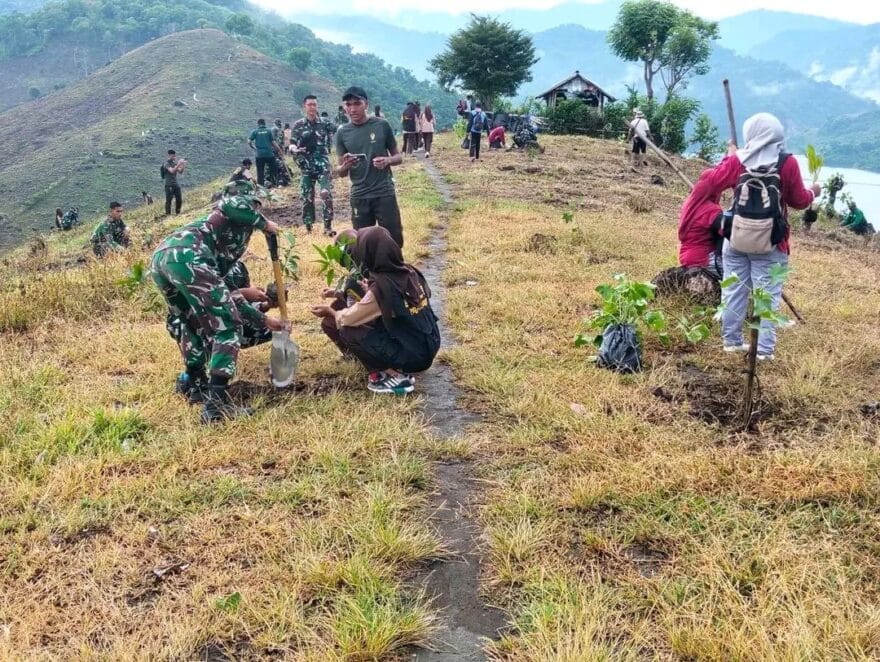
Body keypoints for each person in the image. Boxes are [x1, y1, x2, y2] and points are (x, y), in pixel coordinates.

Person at [151, 194, 288, 423]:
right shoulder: (229, 214)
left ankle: (196, 386)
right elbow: (231, 202)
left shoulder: (217, 241)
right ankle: (216, 406)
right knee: (228, 326)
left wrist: (264, 320)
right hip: (188, 256)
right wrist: (265, 224)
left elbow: (231, 294)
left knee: (193, 322)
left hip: (164, 258)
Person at [719, 113, 819, 361]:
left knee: (733, 289)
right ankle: (763, 350)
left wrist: (730, 155)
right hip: (771, 241)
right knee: (767, 294)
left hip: (736, 237)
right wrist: (813, 192)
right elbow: (798, 201)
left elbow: (716, 179)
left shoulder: (739, 160)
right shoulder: (787, 162)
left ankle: (731, 341)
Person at [311, 226, 440, 394]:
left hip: (414, 357)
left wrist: (330, 312)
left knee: (348, 330)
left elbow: (347, 319)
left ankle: (392, 376)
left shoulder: (381, 288)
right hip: (430, 344)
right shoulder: (409, 271)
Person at [168, 260, 278, 397]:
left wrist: (265, 305)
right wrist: (242, 293)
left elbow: (242, 309)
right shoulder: (200, 264)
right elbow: (205, 301)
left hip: (223, 319)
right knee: (213, 331)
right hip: (194, 321)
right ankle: (192, 377)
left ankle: (218, 369)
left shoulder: (238, 267)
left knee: (266, 331)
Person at [335, 85, 405, 247]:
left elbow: (398, 157)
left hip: (384, 192)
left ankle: (396, 270)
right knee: (363, 243)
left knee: (394, 239)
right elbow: (341, 172)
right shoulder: (342, 132)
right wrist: (346, 165)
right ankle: (368, 273)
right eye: (348, 105)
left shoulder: (382, 125)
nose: (352, 109)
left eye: (357, 103)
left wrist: (387, 161)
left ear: (366, 104)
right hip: (359, 195)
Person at [290, 94, 338, 235]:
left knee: (325, 194)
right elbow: (292, 143)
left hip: (322, 165)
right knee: (307, 197)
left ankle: (327, 227)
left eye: (314, 104)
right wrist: (295, 149)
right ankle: (309, 227)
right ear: (304, 106)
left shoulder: (324, 123)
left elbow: (340, 131)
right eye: (310, 104)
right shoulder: (298, 125)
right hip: (306, 166)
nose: (312, 107)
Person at [248, 119, 279, 187]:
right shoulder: (268, 131)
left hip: (259, 155)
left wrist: (253, 147)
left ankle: (260, 186)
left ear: (258, 124)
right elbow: (273, 142)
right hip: (269, 154)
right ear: (264, 124)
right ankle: (274, 184)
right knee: (273, 170)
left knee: (260, 172)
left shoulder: (255, 132)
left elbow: (249, 141)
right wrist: (279, 150)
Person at [163, 149, 186, 215]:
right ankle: (168, 214)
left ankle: (177, 213)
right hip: (169, 184)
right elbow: (172, 171)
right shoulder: (166, 164)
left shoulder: (174, 163)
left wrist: (183, 165)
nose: (174, 158)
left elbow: (180, 172)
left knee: (179, 199)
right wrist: (179, 164)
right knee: (169, 201)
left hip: (175, 184)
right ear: (169, 155)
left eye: (175, 156)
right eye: (173, 156)